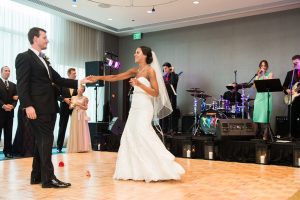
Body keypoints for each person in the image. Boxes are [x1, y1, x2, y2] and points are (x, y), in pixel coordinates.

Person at [88, 46, 185, 182]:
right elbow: (115, 76)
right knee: (130, 135)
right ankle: (136, 171)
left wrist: (139, 84)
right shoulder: (135, 70)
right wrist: (97, 77)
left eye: (137, 52)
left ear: (145, 55)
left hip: (145, 107)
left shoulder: (150, 71)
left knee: (143, 133)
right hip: (135, 107)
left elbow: (155, 92)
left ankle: (162, 166)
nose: (135, 54)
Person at [15, 27, 87, 188]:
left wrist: (80, 82)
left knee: (42, 142)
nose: (47, 40)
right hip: (37, 108)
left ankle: (37, 176)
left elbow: (59, 79)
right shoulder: (24, 57)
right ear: (35, 39)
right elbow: (22, 84)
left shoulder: (44, 60)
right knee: (46, 141)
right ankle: (49, 179)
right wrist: (27, 106)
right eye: (44, 37)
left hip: (49, 107)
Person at [56, 68, 77, 153]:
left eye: (75, 73)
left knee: (75, 127)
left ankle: (75, 146)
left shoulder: (77, 84)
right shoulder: (62, 83)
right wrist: (64, 99)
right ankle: (59, 146)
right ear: (69, 74)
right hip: (64, 108)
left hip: (75, 108)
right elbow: (57, 95)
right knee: (62, 127)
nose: (75, 75)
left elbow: (80, 94)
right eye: (73, 74)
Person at [252, 60, 274, 140]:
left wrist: (264, 74)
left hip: (266, 97)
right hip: (259, 97)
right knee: (256, 117)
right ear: (260, 67)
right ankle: (255, 135)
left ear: (267, 66)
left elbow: (269, 83)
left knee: (265, 117)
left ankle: (265, 136)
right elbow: (254, 86)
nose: (263, 67)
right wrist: (258, 75)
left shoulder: (270, 74)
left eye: (265, 65)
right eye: (261, 65)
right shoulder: (258, 75)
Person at [67, 86, 91, 153]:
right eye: (79, 89)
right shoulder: (73, 97)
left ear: (83, 91)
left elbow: (86, 108)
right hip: (75, 114)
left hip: (82, 115)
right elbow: (70, 107)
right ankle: (75, 147)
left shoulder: (85, 98)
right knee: (75, 129)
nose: (80, 90)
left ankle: (83, 147)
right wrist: (73, 105)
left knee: (82, 129)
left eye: (82, 89)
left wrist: (79, 105)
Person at [0, 66, 18, 158]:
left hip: (10, 113)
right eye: (6, 70)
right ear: (1, 72)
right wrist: (3, 105)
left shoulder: (13, 85)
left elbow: (16, 98)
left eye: (9, 71)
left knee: (8, 133)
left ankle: (7, 152)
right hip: (0, 112)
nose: (8, 72)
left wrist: (13, 105)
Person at [283, 55, 300, 139]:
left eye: (296, 63)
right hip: (292, 100)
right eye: (293, 63)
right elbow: (284, 85)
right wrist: (287, 90)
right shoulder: (290, 73)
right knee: (291, 119)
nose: (295, 65)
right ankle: (292, 136)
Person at [161, 62, 179, 134]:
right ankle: (164, 129)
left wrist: (173, 72)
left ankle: (172, 129)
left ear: (170, 68)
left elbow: (173, 82)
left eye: (165, 68)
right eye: (163, 69)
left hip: (172, 97)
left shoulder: (175, 76)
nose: (164, 70)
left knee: (172, 113)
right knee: (165, 112)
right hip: (165, 97)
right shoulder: (163, 77)